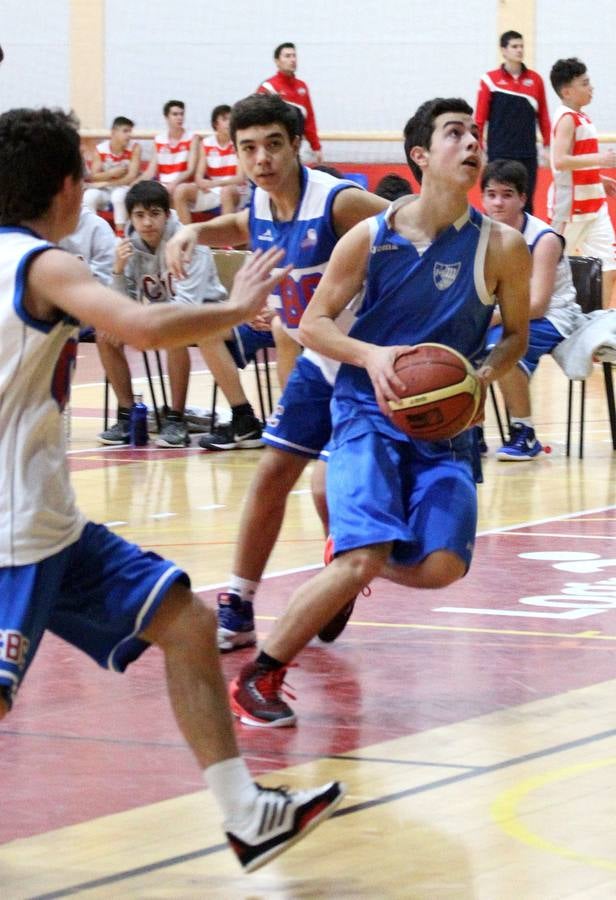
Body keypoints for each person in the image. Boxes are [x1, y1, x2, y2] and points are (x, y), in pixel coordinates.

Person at [0, 105, 344, 871]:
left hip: (54, 524)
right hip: (12, 529)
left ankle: (248, 815)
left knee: (187, 625)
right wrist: (236, 308)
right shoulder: (42, 265)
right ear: (68, 187)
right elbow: (142, 327)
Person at [224, 97, 531, 727]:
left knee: (443, 566)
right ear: (421, 155)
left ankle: (343, 558)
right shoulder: (371, 236)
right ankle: (261, 674)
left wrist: (481, 378)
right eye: (455, 134)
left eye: (475, 134)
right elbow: (314, 325)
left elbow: (516, 338)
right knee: (364, 556)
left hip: (445, 427)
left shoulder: (502, 246)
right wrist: (372, 355)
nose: (472, 143)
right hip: (367, 410)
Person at [165, 93, 387, 649]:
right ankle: (239, 605)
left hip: (369, 360)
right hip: (320, 360)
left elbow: (409, 228)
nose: (261, 158)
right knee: (271, 473)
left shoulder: (338, 201)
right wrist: (192, 232)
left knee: (327, 490)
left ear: (296, 146)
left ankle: (338, 578)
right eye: (248, 148)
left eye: (272, 145)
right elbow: (241, 224)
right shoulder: (263, 203)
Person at [98, 181, 263, 448]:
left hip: (205, 311)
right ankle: (127, 416)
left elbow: (186, 304)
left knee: (173, 330)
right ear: (130, 218)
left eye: (154, 214)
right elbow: (120, 304)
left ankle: (176, 419)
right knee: (104, 333)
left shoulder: (188, 241)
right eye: (139, 215)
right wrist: (118, 271)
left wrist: (144, 318)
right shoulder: (127, 246)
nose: (147, 222)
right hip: (160, 314)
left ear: (167, 214)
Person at [481, 159, 584, 460]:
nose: (498, 202)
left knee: (501, 347)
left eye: (507, 194)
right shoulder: (479, 234)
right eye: (491, 194)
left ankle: (524, 433)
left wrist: (491, 319)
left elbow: (538, 304)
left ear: (523, 198)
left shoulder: (544, 238)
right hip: (505, 313)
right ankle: (470, 428)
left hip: (554, 315)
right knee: (459, 341)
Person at [548, 57, 616, 309]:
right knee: (554, 265)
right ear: (567, 91)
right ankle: (549, 313)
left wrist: (598, 178)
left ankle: (601, 319)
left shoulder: (582, 117)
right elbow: (560, 160)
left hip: (594, 204)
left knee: (608, 263)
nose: (591, 87)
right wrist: (601, 160)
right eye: (585, 83)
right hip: (571, 208)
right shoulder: (567, 118)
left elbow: (578, 160)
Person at [475, 30, 551, 213]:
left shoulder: (536, 80)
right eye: (514, 46)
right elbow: (479, 118)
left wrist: (548, 146)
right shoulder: (489, 80)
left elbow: (543, 117)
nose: (519, 50)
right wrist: (478, 148)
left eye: (521, 46)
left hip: (527, 154)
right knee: (497, 202)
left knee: (525, 202)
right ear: (503, 50)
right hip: (499, 153)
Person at [174, 104, 250, 223]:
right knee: (181, 190)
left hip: (236, 190)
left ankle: (226, 233)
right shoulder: (206, 143)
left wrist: (215, 183)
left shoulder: (239, 143)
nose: (229, 123)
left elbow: (240, 178)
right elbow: (198, 176)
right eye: (225, 119)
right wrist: (202, 183)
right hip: (214, 190)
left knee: (226, 191)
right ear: (215, 124)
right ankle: (186, 231)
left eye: (231, 119)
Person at [257, 42, 323, 163]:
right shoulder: (268, 87)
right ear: (277, 61)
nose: (292, 60)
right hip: (275, 150)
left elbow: (309, 119)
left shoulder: (302, 87)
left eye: (294, 56)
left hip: (297, 148)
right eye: (287, 56)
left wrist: (316, 146)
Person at [83, 116, 142, 235]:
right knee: (89, 196)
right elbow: (93, 176)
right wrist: (111, 173)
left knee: (118, 196)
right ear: (114, 132)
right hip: (105, 190)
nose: (129, 135)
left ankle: (120, 235)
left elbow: (131, 177)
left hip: (124, 188)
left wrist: (106, 182)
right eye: (125, 131)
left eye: (130, 131)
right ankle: (92, 233)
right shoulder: (101, 149)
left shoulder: (135, 148)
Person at [140, 100, 199, 199]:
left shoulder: (192, 138)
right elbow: (150, 171)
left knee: (176, 191)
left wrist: (174, 183)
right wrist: (135, 184)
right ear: (166, 117)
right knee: (135, 194)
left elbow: (190, 170)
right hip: (163, 185)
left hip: (184, 185)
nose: (180, 117)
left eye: (182, 114)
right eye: (175, 114)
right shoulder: (159, 140)